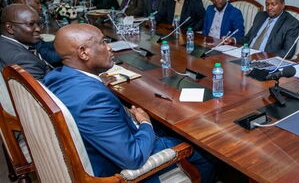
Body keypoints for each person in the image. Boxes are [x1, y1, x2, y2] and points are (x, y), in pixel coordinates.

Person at [42, 23, 214, 182]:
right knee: (205, 155)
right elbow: (133, 157)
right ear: (83, 52)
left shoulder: (56, 77)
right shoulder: (91, 99)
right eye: (102, 43)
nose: (109, 47)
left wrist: (96, 83)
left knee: (167, 125)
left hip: (106, 141)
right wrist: (145, 123)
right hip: (117, 166)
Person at [225, 0, 299, 58]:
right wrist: (233, 40)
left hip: (265, 60)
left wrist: (263, 56)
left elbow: (287, 52)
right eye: (267, 4)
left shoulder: (291, 23)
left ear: (282, 5)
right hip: (246, 55)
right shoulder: (260, 16)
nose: (269, 8)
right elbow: (248, 39)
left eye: (273, 4)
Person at [10, 0, 61, 65]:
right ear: (24, 1)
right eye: (37, 3)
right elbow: (51, 58)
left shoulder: (15, 18)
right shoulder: (22, 25)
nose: (40, 7)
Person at [0, 4, 52, 80]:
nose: (38, 29)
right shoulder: (23, 59)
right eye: (31, 24)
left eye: (39, 24)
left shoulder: (3, 43)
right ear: (10, 28)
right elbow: (45, 90)